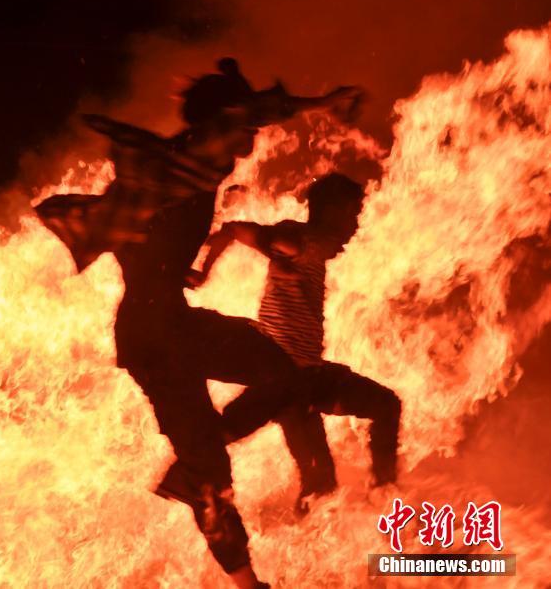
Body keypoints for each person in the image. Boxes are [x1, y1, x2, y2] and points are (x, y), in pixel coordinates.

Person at [35, 59, 363, 588]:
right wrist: (323, 101)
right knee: (213, 481)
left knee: (283, 375)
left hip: (172, 322)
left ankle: (200, 456)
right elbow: (249, 113)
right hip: (153, 336)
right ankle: (244, 575)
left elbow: (147, 236)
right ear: (218, 123)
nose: (251, 138)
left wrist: (171, 265)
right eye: (245, 128)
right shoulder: (181, 166)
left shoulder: (174, 173)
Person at [191, 173, 401, 502]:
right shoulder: (303, 243)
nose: (355, 227)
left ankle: (385, 491)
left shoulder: (310, 250)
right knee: (320, 486)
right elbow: (236, 230)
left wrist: (271, 250)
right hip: (285, 386)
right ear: (333, 213)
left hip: (311, 375)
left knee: (386, 405)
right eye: (352, 215)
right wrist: (210, 270)